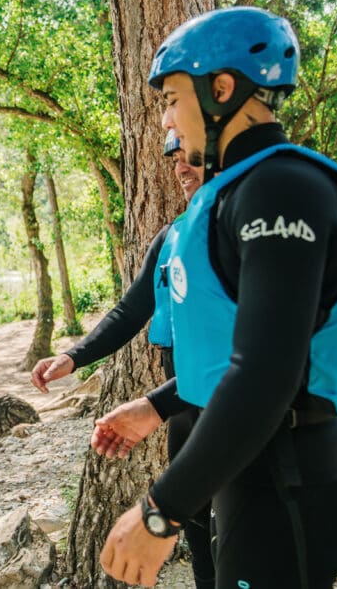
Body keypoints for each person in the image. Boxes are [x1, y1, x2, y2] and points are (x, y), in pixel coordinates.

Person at [94, 7, 337, 588]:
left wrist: (159, 511)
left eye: (172, 98)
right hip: (254, 470)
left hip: (285, 479)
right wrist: (156, 408)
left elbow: (266, 373)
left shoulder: (281, 188)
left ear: (222, 89)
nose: (168, 121)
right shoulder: (241, 193)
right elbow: (239, 350)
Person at [29, 129, 213, 588]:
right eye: (175, 159)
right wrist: (73, 358)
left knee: (236, 525)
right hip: (184, 402)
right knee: (197, 521)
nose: (180, 169)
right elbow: (131, 309)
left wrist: (153, 405)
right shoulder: (173, 236)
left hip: (223, 399)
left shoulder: (233, 236)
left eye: (193, 157)